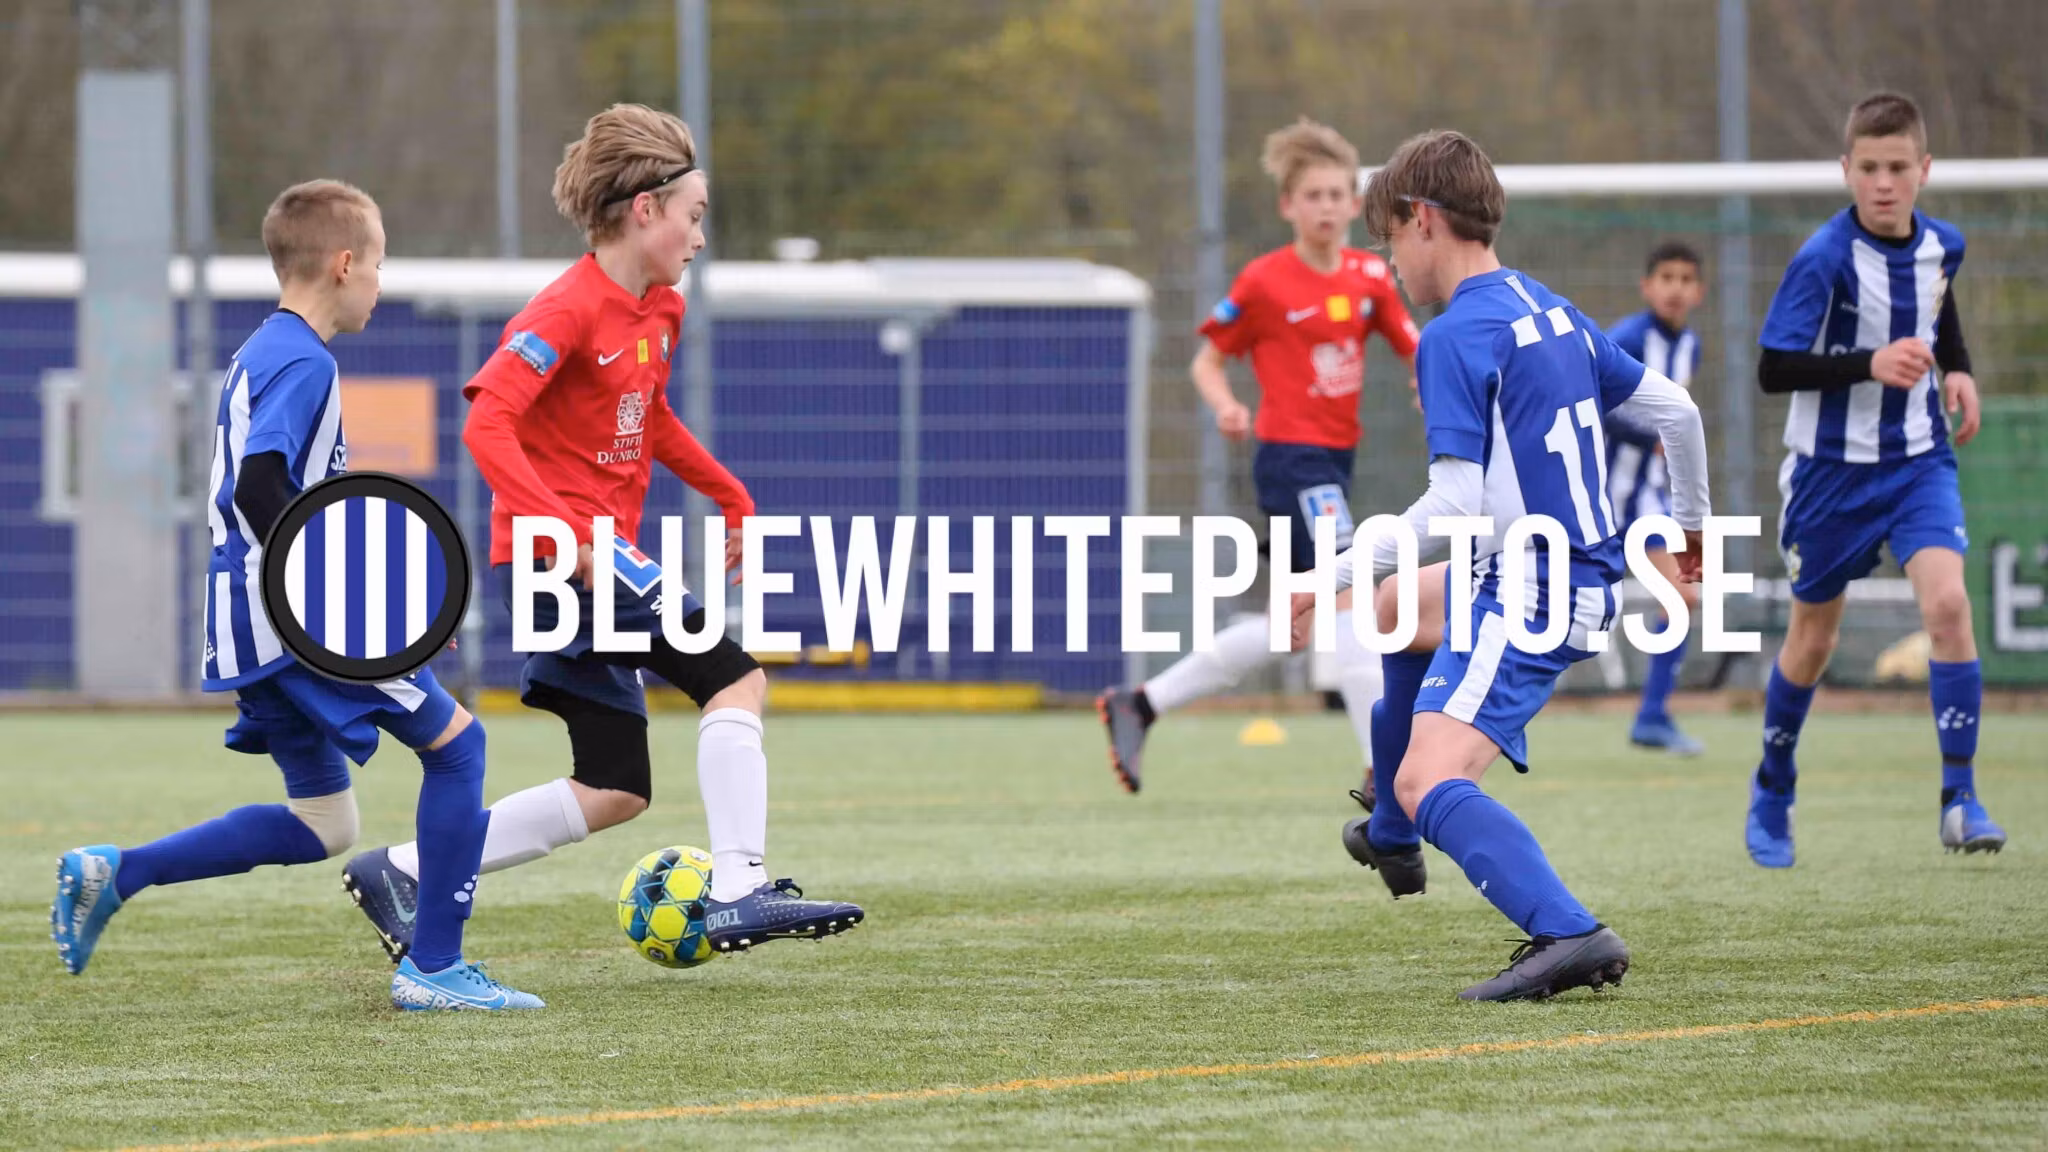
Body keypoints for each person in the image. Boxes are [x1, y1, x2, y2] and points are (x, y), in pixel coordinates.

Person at [342, 104, 864, 959]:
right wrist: (564, 534)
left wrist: (731, 495)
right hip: (564, 564)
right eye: (695, 215)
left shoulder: (662, 308)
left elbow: (649, 418)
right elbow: (487, 424)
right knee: (735, 680)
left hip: (595, 563)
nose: (701, 238)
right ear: (646, 210)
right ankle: (738, 888)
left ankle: (401, 870)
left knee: (615, 786)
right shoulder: (565, 310)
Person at [51, 180, 540, 1011]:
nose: (380, 282)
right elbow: (261, 486)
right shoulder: (307, 360)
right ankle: (435, 968)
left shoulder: (262, 349)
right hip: (291, 621)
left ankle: (118, 873)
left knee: (325, 824)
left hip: (244, 620)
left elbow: (275, 492)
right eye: (378, 264)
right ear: (345, 264)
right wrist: (359, 608)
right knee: (460, 749)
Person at [1295, 129, 1710, 1000]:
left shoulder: (1453, 335)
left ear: (1421, 219)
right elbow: (1677, 411)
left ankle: (1568, 931)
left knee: (1430, 774)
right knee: (1398, 608)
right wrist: (1689, 529)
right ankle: (1395, 831)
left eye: (1389, 237)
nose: (1390, 262)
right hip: (1559, 574)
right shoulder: (1547, 307)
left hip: (1532, 589)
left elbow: (1450, 504)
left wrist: (1328, 574)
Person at [1098, 117, 1418, 798]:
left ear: (1353, 203)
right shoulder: (1265, 281)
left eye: (1337, 194)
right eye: (1313, 196)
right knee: (1354, 593)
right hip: (1291, 460)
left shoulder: (1370, 275)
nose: (1327, 207)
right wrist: (1225, 406)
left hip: (1336, 461)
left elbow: (1412, 348)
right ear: (1287, 206)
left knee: (1294, 626)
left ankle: (1142, 703)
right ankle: (1381, 771)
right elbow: (1206, 362)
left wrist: (1435, 386)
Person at [1746, 91, 2001, 868]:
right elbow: (1773, 369)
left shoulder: (1943, 245)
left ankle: (1959, 798)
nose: (1883, 183)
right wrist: (1870, 364)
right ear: (1846, 170)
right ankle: (1773, 783)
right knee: (1813, 639)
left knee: (1949, 605)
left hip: (1918, 461)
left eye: (1897, 167)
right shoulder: (1823, 258)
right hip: (1830, 476)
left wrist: (1958, 368)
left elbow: (1936, 305)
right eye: (1868, 168)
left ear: (1925, 169)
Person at [1603, 241, 1708, 756]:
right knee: (1560, 608)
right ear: (1647, 286)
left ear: (1699, 291)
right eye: (1666, 278)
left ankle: (1652, 716)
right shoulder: (1626, 339)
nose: (1676, 288)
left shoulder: (1691, 346)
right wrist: (1650, 437)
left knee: (1683, 594)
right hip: (1600, 497)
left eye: (1686, 279)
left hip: (1647, 499)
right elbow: (1593, 404)